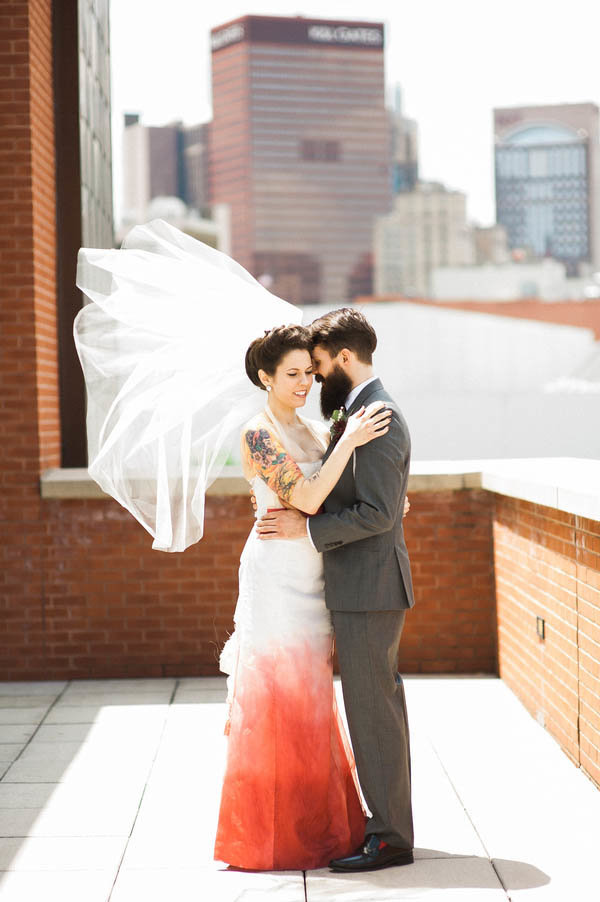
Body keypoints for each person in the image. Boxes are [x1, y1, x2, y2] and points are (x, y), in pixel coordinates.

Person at [213, 323, 393, 871]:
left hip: (316, 574)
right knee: (279, 696)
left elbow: (337, 496)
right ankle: (273, 832)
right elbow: (311, 496)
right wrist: (353, 440)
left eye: (309, 373)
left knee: (314, 696)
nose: (304, 383)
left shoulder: (317, 431)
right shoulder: (257, 433)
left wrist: (385, 507)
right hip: (276, 576)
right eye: (291, 374)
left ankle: (322, 824)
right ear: (265, 377)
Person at [255, 308, 416, 873]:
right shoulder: (358, 414)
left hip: (369, 588)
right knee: (374, 710)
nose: (316, 381)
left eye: (318, 368)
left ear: (345, 358)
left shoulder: (378, 415)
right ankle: (384, 825)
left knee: (373, 712)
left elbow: (375, 512)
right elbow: (379, 500)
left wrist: (307, 527)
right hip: (356, 584)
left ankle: (391, 837)